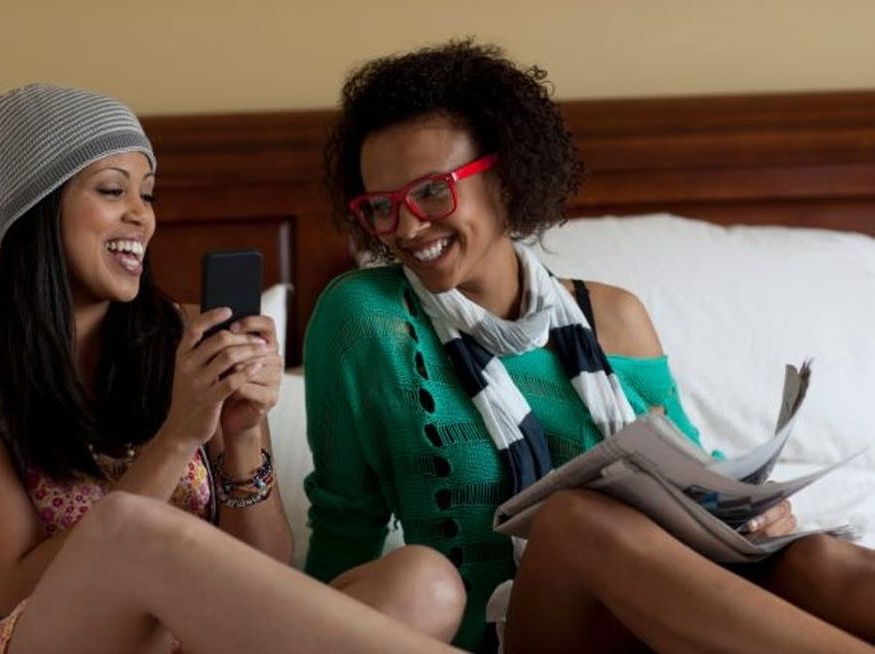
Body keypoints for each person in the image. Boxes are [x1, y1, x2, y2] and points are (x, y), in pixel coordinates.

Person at [303, 40, 875, 653]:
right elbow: (346, 526)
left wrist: (756, 515)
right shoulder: (366, 319)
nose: (408, 228)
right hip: (517, 632)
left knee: (815, 557)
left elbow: (699, 484)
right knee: (572, 520)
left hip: (667, 610)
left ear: (506, 174)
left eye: (433, 192)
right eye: (381, 208)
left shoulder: (616, 316)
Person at [0, 83, 464, 653]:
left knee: (425, 583)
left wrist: (242, 434)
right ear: (35, 210)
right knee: (127, 529)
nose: (141, 217)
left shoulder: (189, 337)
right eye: (111, 190)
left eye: (147, 195)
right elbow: (18, 587)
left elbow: (263, 569)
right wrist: (178, 436)